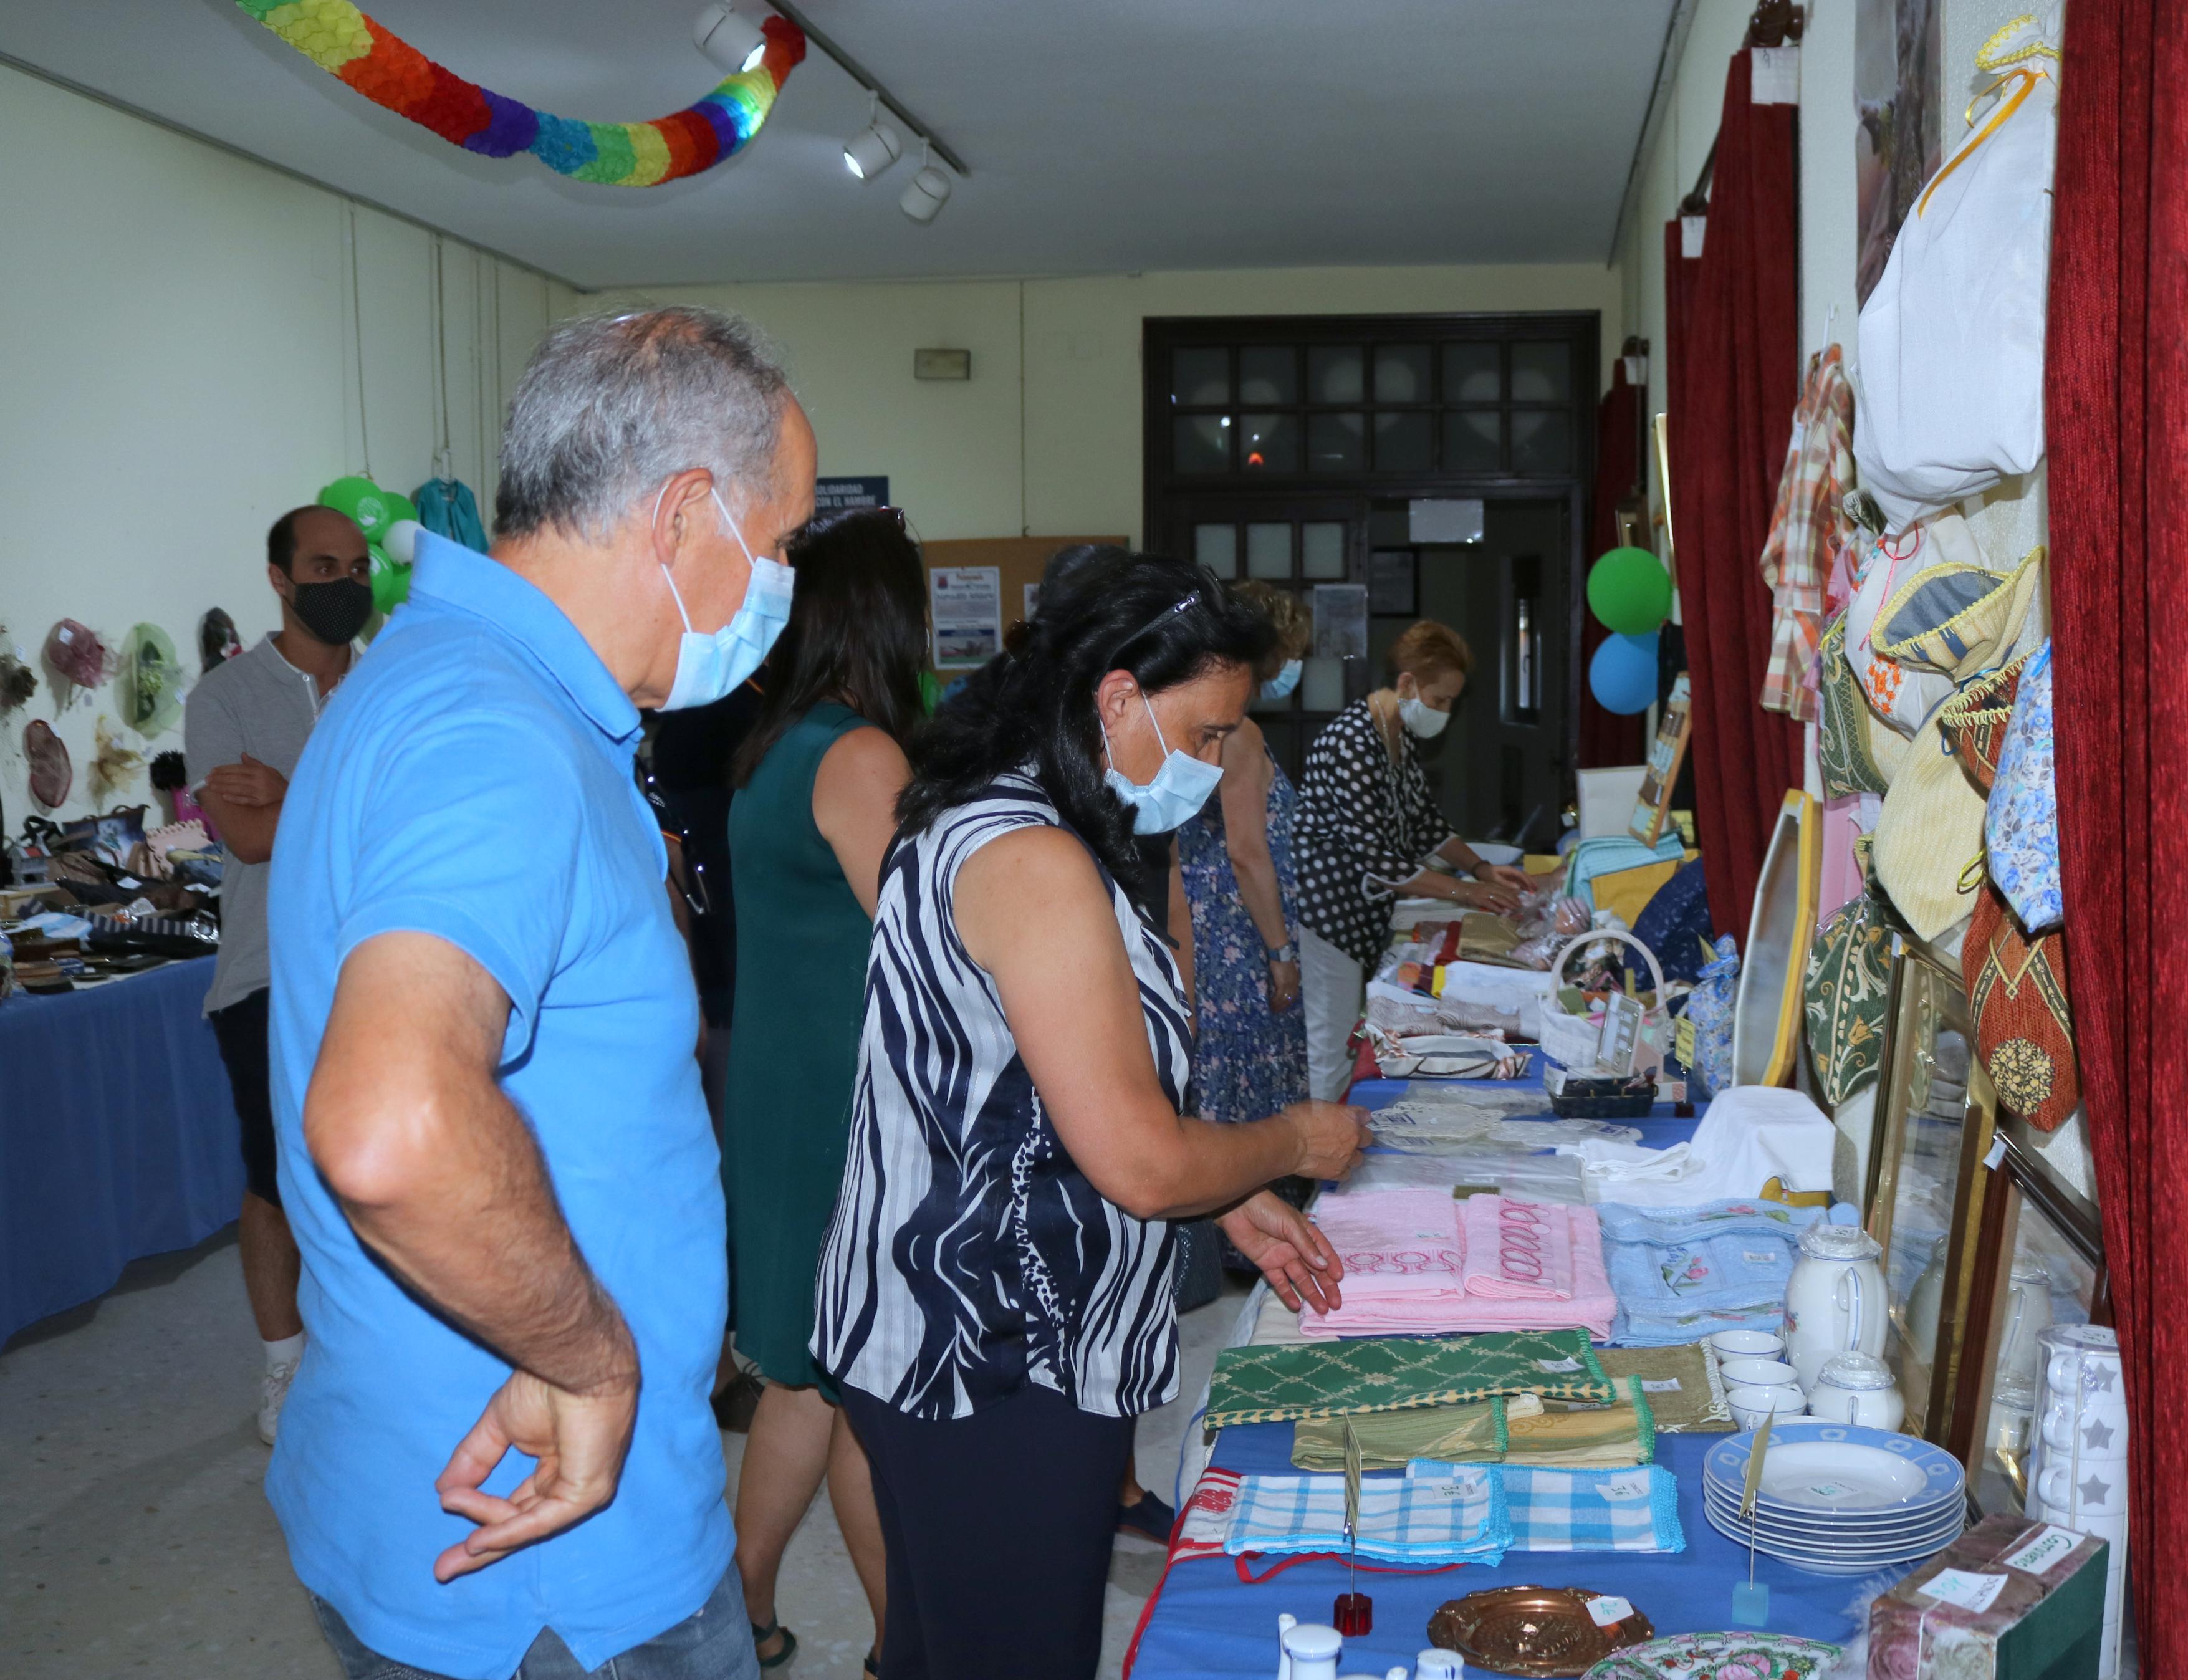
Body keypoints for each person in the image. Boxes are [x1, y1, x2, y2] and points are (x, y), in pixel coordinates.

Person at [264, 307, 813, 1680]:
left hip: (446, 1483)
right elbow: (389, 1125)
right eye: (781, 540)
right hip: (555, 1549)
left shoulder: (446, 682)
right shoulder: (492, 734)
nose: (779, 581)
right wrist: (589, 1358)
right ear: (685, 513)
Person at [812, 552, 1371, 1680]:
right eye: (1206, 734)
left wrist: (1227, 1196)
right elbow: (1137, 1159)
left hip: (944, 1327)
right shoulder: (1031, 858)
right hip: (992, 1354)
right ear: (1116, 695)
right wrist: (1296, 1141)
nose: (1215, 767)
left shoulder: (1008, 819)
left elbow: (1039, 1098)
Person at [721, 509, 924, 1674]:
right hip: (844, 1104)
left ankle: (740, 1600)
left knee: (806, 1370)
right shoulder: (855, 755)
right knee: (866, 1388)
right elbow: (931, 942)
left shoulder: (778, 741)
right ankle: (911, 1646)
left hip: (786, 1088)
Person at [185, 502, 371, 1445]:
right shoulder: (223, 698)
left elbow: (410, 827)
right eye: (325, 565)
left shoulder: (387, 683)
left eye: (357, 565)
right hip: (264, 979)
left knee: (379, 1178)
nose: (345, 582)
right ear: (280, 579)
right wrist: (338, 811)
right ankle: (282, 1361)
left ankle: (364, 1356)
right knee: (276, 1182)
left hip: (379, 974)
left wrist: (295, 790)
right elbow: (249, 838)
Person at [1287, 619, 1537, 1100]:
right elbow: (1378, 861)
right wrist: (1468, 891)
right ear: (1406, 684)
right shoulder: (1352, 743)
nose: (1444, 711)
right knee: (1330, 1044)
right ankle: (1319, 1159)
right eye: (1440, 700)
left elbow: (1424, 824)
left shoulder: (1397, 737)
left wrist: (1481, 868)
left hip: (1361, 915)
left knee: (1345, 1037)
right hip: (1326, 914)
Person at [1178, 580, 1312, 1123]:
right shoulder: (1239, 733)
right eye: (1293, 653)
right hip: (1239, 934)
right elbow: (1247, 852)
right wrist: (1280, 954)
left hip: (1211, 928)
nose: (1295, 665)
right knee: (1249, 1080)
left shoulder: (1209, 721)